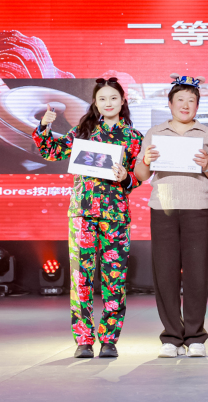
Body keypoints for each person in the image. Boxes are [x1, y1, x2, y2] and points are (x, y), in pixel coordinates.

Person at [34, 77, 143, 359]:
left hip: (115, 215)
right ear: (95, 102)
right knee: (80, 278)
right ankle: (83, 340)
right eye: (102, 98)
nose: (108, 103)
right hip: (82, 213)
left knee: (114, 280)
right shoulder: (83, 131)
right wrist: (45, 127)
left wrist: (126, 177)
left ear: (122, 101)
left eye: (113, 98)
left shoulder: (134, 137)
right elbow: (51, 151)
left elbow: (137, 178)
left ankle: (109, 340)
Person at [134, 75, 208, 359]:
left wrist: (207, 166)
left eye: (191, 100)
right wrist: (146, 161)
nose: (185, 105)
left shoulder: (206, 134)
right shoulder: (155, 133)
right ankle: (171, 337)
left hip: (197, 207)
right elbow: (141, 175)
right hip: (164, 207)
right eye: (180, 100)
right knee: (165, 273)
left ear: (197, 105)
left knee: (197, 273)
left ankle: (195, 336)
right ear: (169, 104)